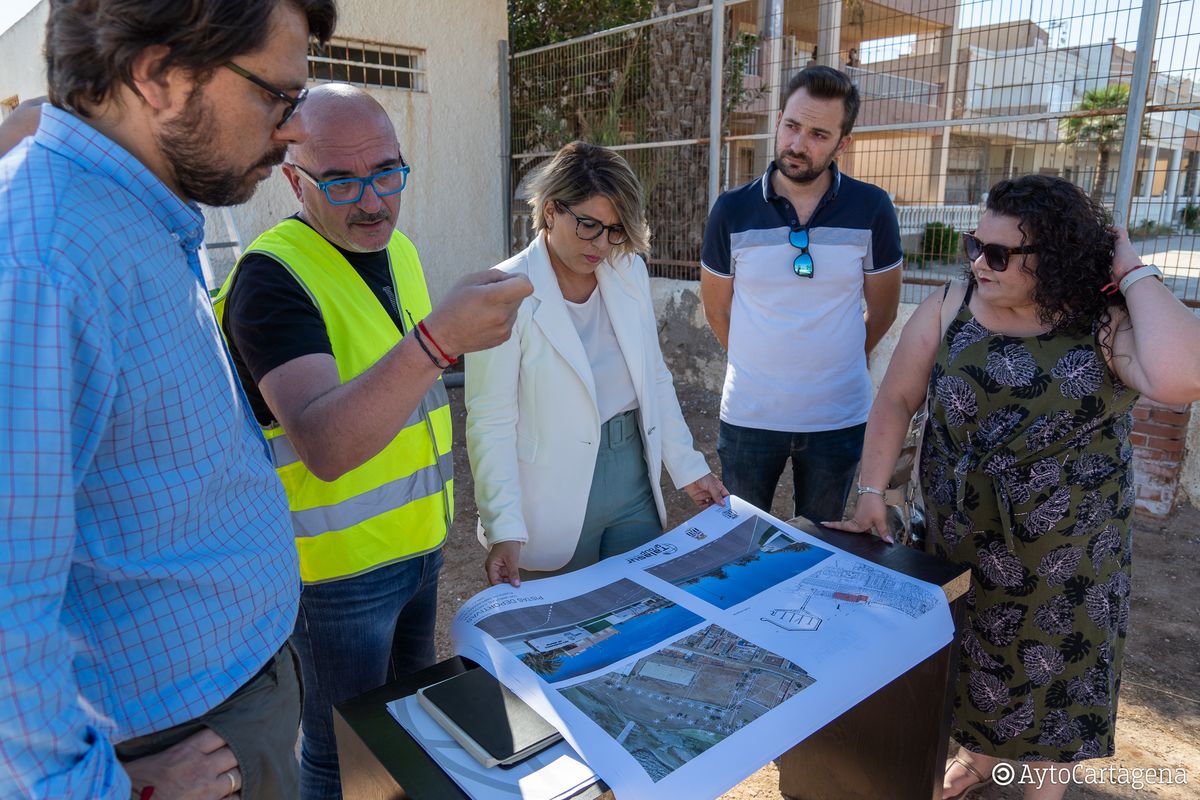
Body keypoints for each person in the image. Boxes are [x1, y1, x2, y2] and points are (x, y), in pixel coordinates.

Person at [0, 0, 336, 798]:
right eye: (276, 96)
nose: (292, 129)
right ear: (157, 76)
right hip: (178, 744)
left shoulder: (127, 214)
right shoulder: (42, 260)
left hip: (218, 708)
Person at [827, 175, 1200, 800]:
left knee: (1055, 676)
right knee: (970, 664)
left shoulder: (1103, 325)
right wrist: (871, 493)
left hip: (1070, 560)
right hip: (960, 538)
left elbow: (1181, 377)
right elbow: (895, 399)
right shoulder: (950, 304)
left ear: (1050, 258)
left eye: (999, 254)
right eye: (976, 244)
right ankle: (978, 758)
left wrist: (1130, 267)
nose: (979, 262)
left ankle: (1040, 790)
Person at [213, 83, 531, 798]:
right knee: (335, 757)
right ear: (294, 180)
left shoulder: (399, 253)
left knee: (408, 733)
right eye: (343, 180)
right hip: (336, 581)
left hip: (416, 552)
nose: (374, 201)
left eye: (388, 172)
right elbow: (325, 444)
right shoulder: (271, 279)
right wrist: (440, 336)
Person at [466, 141, 727, 586]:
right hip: (549, 491)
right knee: (563, 633)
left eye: (615, 229)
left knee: (639, 610)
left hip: (633, 478)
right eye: (588, 225)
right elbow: (490, 421)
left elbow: (654, 377)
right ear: (550, 211)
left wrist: (688, 466)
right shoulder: (504, 291)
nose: (603, 244)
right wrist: (503, 525)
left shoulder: (628, 271)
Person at [700, 65, 902, 523]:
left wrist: (847, 356)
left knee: (821, 543)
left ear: (842, 144)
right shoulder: (731, 210)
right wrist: (759, 365)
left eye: (817, 134)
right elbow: (715, 308)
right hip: (750, 415)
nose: (797, 144)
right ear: (778, 120)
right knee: (741, 543)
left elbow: (885, 309)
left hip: (838, 418)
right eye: (791, 125)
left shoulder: (872, 208)